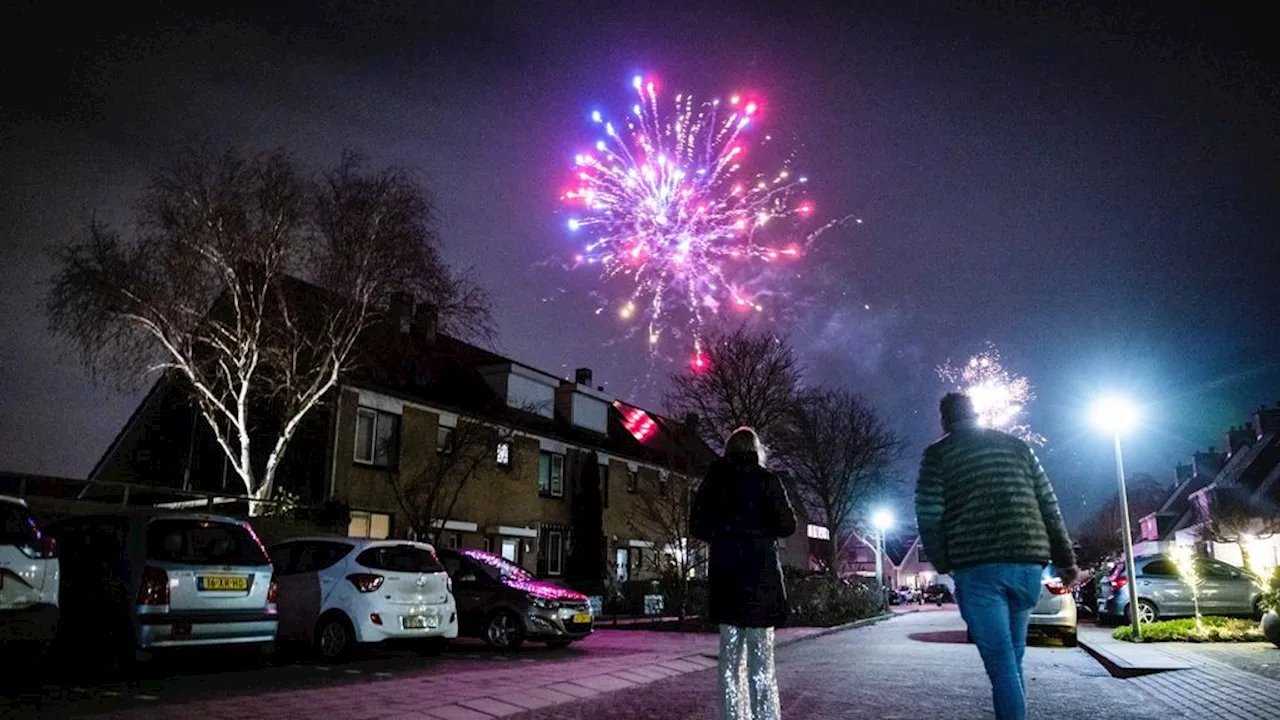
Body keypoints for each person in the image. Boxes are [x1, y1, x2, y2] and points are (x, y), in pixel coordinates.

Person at [915, 393, 1078, 720]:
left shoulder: (939, 455)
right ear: (975, 414)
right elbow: (1049, 505)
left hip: (979, 567)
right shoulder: (1018, 447)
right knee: (1012, 662)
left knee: (1002, 666)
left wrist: (945, 561)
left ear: (944, 420)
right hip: (1027, 565)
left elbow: (929, 514)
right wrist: (1066, 559)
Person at [691, 426, 798, 720]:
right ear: (755, 450)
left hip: (726, 580)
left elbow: (696, 525)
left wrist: (723, 533)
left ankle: (731, 716)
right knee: (761, 662)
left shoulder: (714, 481)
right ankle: (764, 716)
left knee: (729, 661)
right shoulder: (768, 480)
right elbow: (787, 525)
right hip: (761, 581)